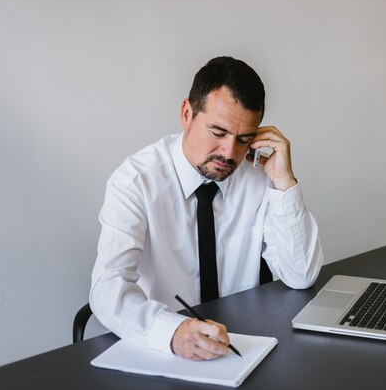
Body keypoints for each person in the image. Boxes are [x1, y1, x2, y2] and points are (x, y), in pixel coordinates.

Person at [90, 56, 323, 361]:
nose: (229, 153)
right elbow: (108, 287)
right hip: (164, 349)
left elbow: (301, 275)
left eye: (244, 140)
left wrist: (284, 182)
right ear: (187, 114)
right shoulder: (135, 181)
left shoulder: (257, 177)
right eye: (218, 132)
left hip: (243, 348)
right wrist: (172, 333)